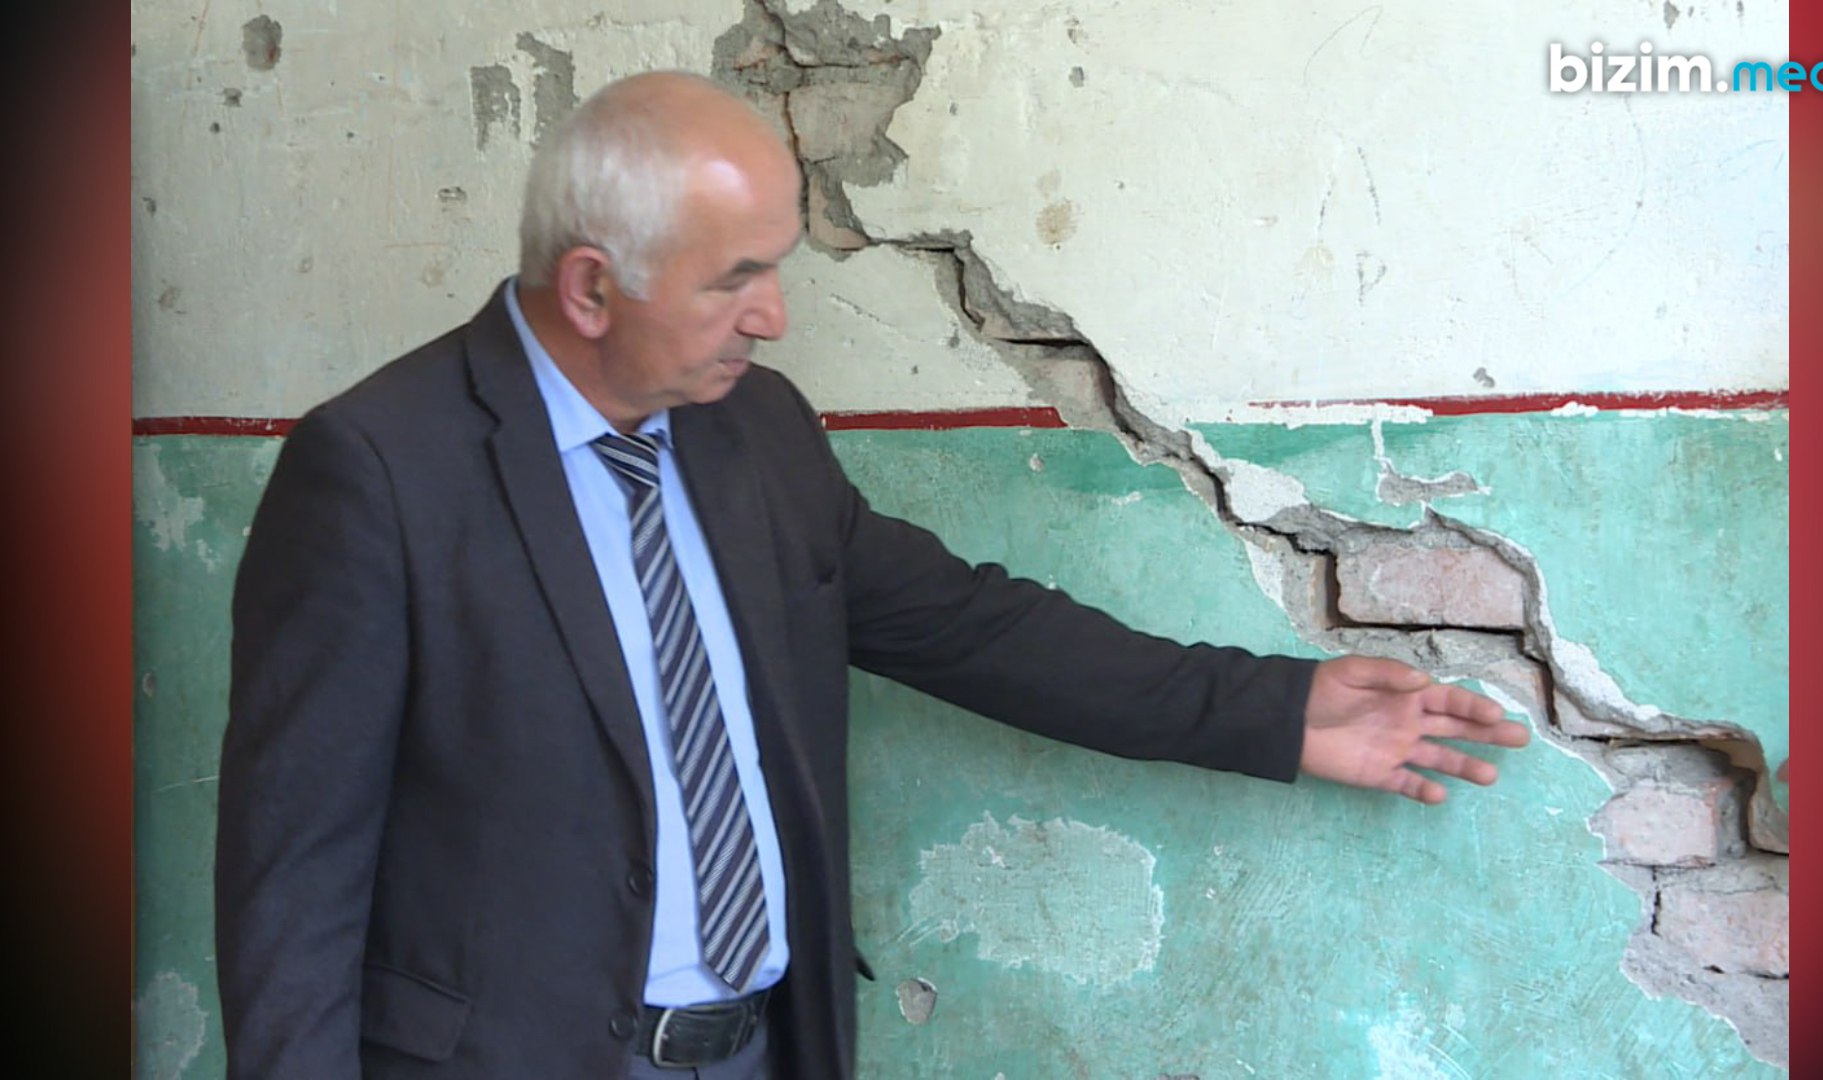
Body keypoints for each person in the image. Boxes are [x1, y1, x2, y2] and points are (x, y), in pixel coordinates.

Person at [215, 71, 1529, 1080]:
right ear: (593, 287)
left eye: (773, 269)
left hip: (762, 1048)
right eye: (735, 281)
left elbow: (971, 627)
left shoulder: (755, 433)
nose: (773, 316)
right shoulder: (378, 473)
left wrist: (1279, 711)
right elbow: (293, 887)